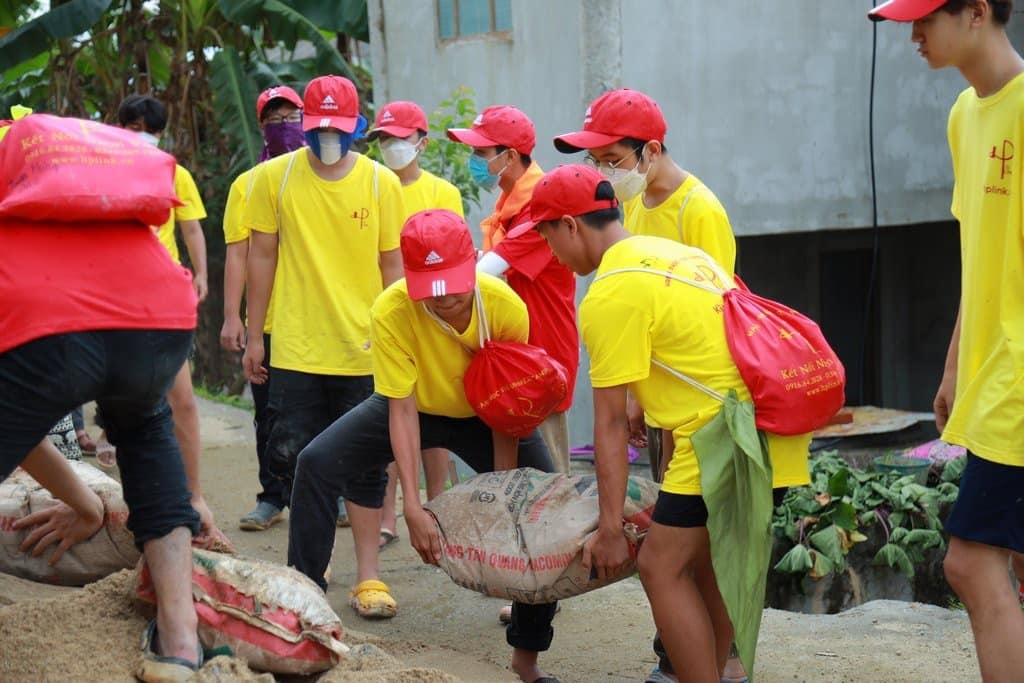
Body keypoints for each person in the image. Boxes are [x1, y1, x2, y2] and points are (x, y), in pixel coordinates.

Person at [519, 164, 810, 683]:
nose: (550, 252)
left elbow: (609, 424)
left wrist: (610, 529)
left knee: (660, 565)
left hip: (723, 440)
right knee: (709, 564)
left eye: (546, 236)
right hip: (772, 428)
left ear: (569, 225)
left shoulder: (611, 291)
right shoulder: (680, 255)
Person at [287, 208, 560, 683]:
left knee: (544, 502)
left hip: (488, 411)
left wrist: (501, 495)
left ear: (473, 263)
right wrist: (411, 506)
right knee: (315, 463)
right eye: (431, 288)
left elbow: (507, 404)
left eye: (453, 284)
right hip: (416, 405)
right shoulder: (391, 311)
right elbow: (402, 409)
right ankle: (302, 618)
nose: (445, 298)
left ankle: (527, 655)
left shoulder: (504, 306)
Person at [0, 115, 218, 681]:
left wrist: (85, 505)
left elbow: (21, 429)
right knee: (145, 432)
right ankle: (180, 642)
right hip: (160, 316)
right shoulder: (123, 225)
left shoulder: (15, 230)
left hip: (45, 322)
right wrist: (89, 506)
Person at [554, 88, 740, 682]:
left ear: (651, 150)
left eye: (611, 159)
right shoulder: (628, 214)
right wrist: (643, 398)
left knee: (666, 562)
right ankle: (706, 663)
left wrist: (610, 527)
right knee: (692, 554)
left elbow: (723, 317)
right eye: (595, 162)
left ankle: (708, 663)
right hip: (693, 407)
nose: (603, 174)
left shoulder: (697, 210)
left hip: (712, 417)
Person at [869, 1, 1024, 680]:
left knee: (970, 561)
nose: (913, 33)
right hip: (993, 375)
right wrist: (956, 365)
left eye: (926, 16)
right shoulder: (965, 114)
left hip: (1017, 382)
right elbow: (980, 253)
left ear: (978, 12)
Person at [241, 75, 406, 534]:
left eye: (338, 129)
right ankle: (313, 562)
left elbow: (393, 265)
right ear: (305, 125)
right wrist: (254, 336)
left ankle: (367, 565)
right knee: (292, 455)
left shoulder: (381, 183)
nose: (328, 138)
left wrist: (400, 336)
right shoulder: (273, 178)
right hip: (296, 347)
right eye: (320, 129)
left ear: (356, 126)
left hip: (363, 347)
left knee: (365, 464)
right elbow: (261, 256)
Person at [447, 105, 579, 475]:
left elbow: (484, 273)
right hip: (512, 355)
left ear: (508, 157)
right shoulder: (508, 203)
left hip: (541, 358)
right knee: (511, 478)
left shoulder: (541, 205)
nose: (474, 161)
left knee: (550, 483)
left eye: (480, 152)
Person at [93, 94, 209, 492]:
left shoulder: (175, 173)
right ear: (119, 127)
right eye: (135, 128)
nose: (143, 137)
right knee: (124, 391)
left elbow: (191, 227)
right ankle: (120, 454)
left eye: (152, 131)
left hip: (164, 294)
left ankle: (193, 493)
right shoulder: (102, 171)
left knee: (183, 399)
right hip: (117, 294)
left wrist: (201, 274)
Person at [366, 100, 465, 549]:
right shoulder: (372, 185)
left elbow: (455, 251)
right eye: (384, 139)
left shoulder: (442, 191)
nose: (391, 146)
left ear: (422, 143)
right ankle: (388, 512)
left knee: (434, 413)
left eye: (399, 139)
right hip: (388, 313)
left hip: (436, 311)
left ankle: (436, 505)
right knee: (393, 411)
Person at [220, 84, 307, 532]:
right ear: (261, 128)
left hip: (317, 317)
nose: (284, 127)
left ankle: (327, 495)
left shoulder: (324, 177)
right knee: (269, 413)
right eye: (274, 120)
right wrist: (232, 316)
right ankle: (272, 496)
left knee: (322, 412)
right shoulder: (247, 184)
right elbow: (238, 253)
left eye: (292, 118)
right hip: (268, 320)